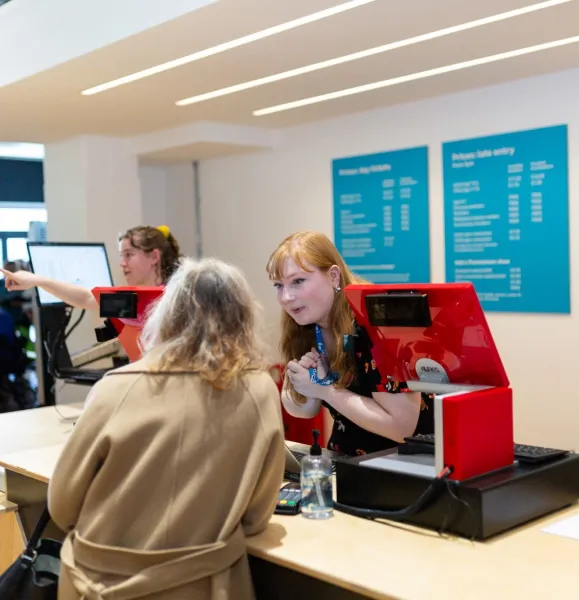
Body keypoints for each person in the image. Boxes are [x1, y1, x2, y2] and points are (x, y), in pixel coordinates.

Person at [47, 257, 285, 599]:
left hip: (99, 586)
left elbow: (62, 507)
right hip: (206, 587)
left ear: (167, 314)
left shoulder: (115, 387)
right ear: (243, 318)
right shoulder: (259, 390)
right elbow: (257, 514)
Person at [266, 231, 434, 457]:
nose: (286, 297)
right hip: (349, 460)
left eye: (298, 281)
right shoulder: (305, 323)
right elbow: (305, 409)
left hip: (408, 465)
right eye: (278, 285)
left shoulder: (378, 325)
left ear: (333, 277)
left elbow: (401, 428)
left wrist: (325, 389)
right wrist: (306, 383)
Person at [0, 225, 182, 311]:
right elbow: (86, 298)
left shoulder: (180, 299)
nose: (122, 263)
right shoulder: (135, 302)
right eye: (121, 256)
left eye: (129, 255)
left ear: (154, 257)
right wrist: (38, 280)